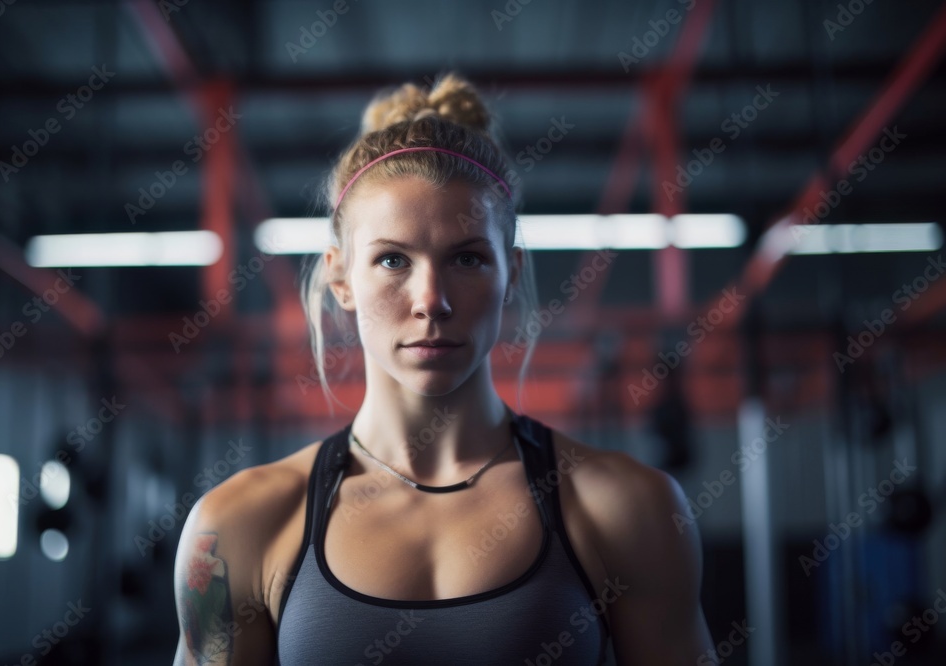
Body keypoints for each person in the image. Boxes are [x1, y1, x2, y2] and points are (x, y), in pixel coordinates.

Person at [173, 72, 717, 665]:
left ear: (509, 273)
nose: (432, 300)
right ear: (339, 278)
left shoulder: (627, 507)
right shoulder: (235, 526)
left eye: (467, 258)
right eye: (391, 259)